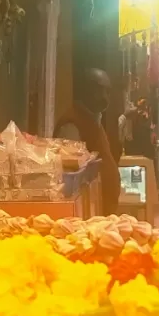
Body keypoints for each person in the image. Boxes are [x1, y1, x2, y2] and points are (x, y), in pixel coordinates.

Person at [55, 68, 120, 214]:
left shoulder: (94, 118)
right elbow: (71, 173)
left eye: (107, 91)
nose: (104, 97)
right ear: (86, 90)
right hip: (88, 211)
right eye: (99, 90)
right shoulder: (72, 123)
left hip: (102, 208)